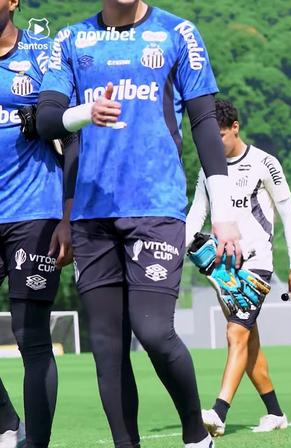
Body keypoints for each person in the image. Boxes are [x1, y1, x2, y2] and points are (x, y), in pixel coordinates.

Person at [35, 1, 242, 447]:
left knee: (152, 330)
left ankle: (195, 434)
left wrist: (223, 213)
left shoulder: (178, 33)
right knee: (108, 350)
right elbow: (47, 117)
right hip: (91, 218)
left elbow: (205, 121)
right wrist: (85, 113)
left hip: (156, 207)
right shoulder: (70, 40)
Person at [185, 99, 291, 436]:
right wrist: (181, 247)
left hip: (257, 264)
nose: (216, 142)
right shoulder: (208, 168)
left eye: (221, 135)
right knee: (248, 341)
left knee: (235, 333)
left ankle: (219, 412)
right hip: (222, 270)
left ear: (235, 127)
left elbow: (289, 215)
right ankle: (275, 413)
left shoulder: (264, 163)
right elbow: (196, 214)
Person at [0, 1, 76, 446]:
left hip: (34, 213)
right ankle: (8, 422)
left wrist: (68, 218)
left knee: (31, 339)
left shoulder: (43, 54)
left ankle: (36, 444)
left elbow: (70, 135)